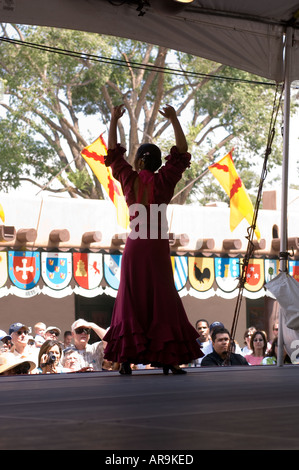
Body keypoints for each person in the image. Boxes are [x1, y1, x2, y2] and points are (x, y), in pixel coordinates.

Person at [102, 103, 202, 375]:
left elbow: (111, 153)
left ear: (138, 161)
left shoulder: (128, 178)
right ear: (160, 163)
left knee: (130, 299)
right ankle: (168, 360)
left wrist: (113, 120)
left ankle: (125, 360)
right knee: (162, 298)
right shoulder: (165, 180)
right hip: (157, 248)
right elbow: (181, 152)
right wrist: (174, 119)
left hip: (135, 248)